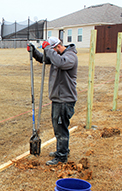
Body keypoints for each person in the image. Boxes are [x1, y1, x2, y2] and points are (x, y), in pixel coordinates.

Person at [30, 37, 78, 165]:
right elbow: (44, 59)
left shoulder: (70, 56)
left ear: (57, 47)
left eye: (52, 49)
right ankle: (63, 150)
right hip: (58, 98)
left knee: (60, 128)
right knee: (59, 127)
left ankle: (61, 157)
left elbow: (61, 63)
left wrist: (48, 49)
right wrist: (34, 51)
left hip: (65, 100)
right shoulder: (57, 56)